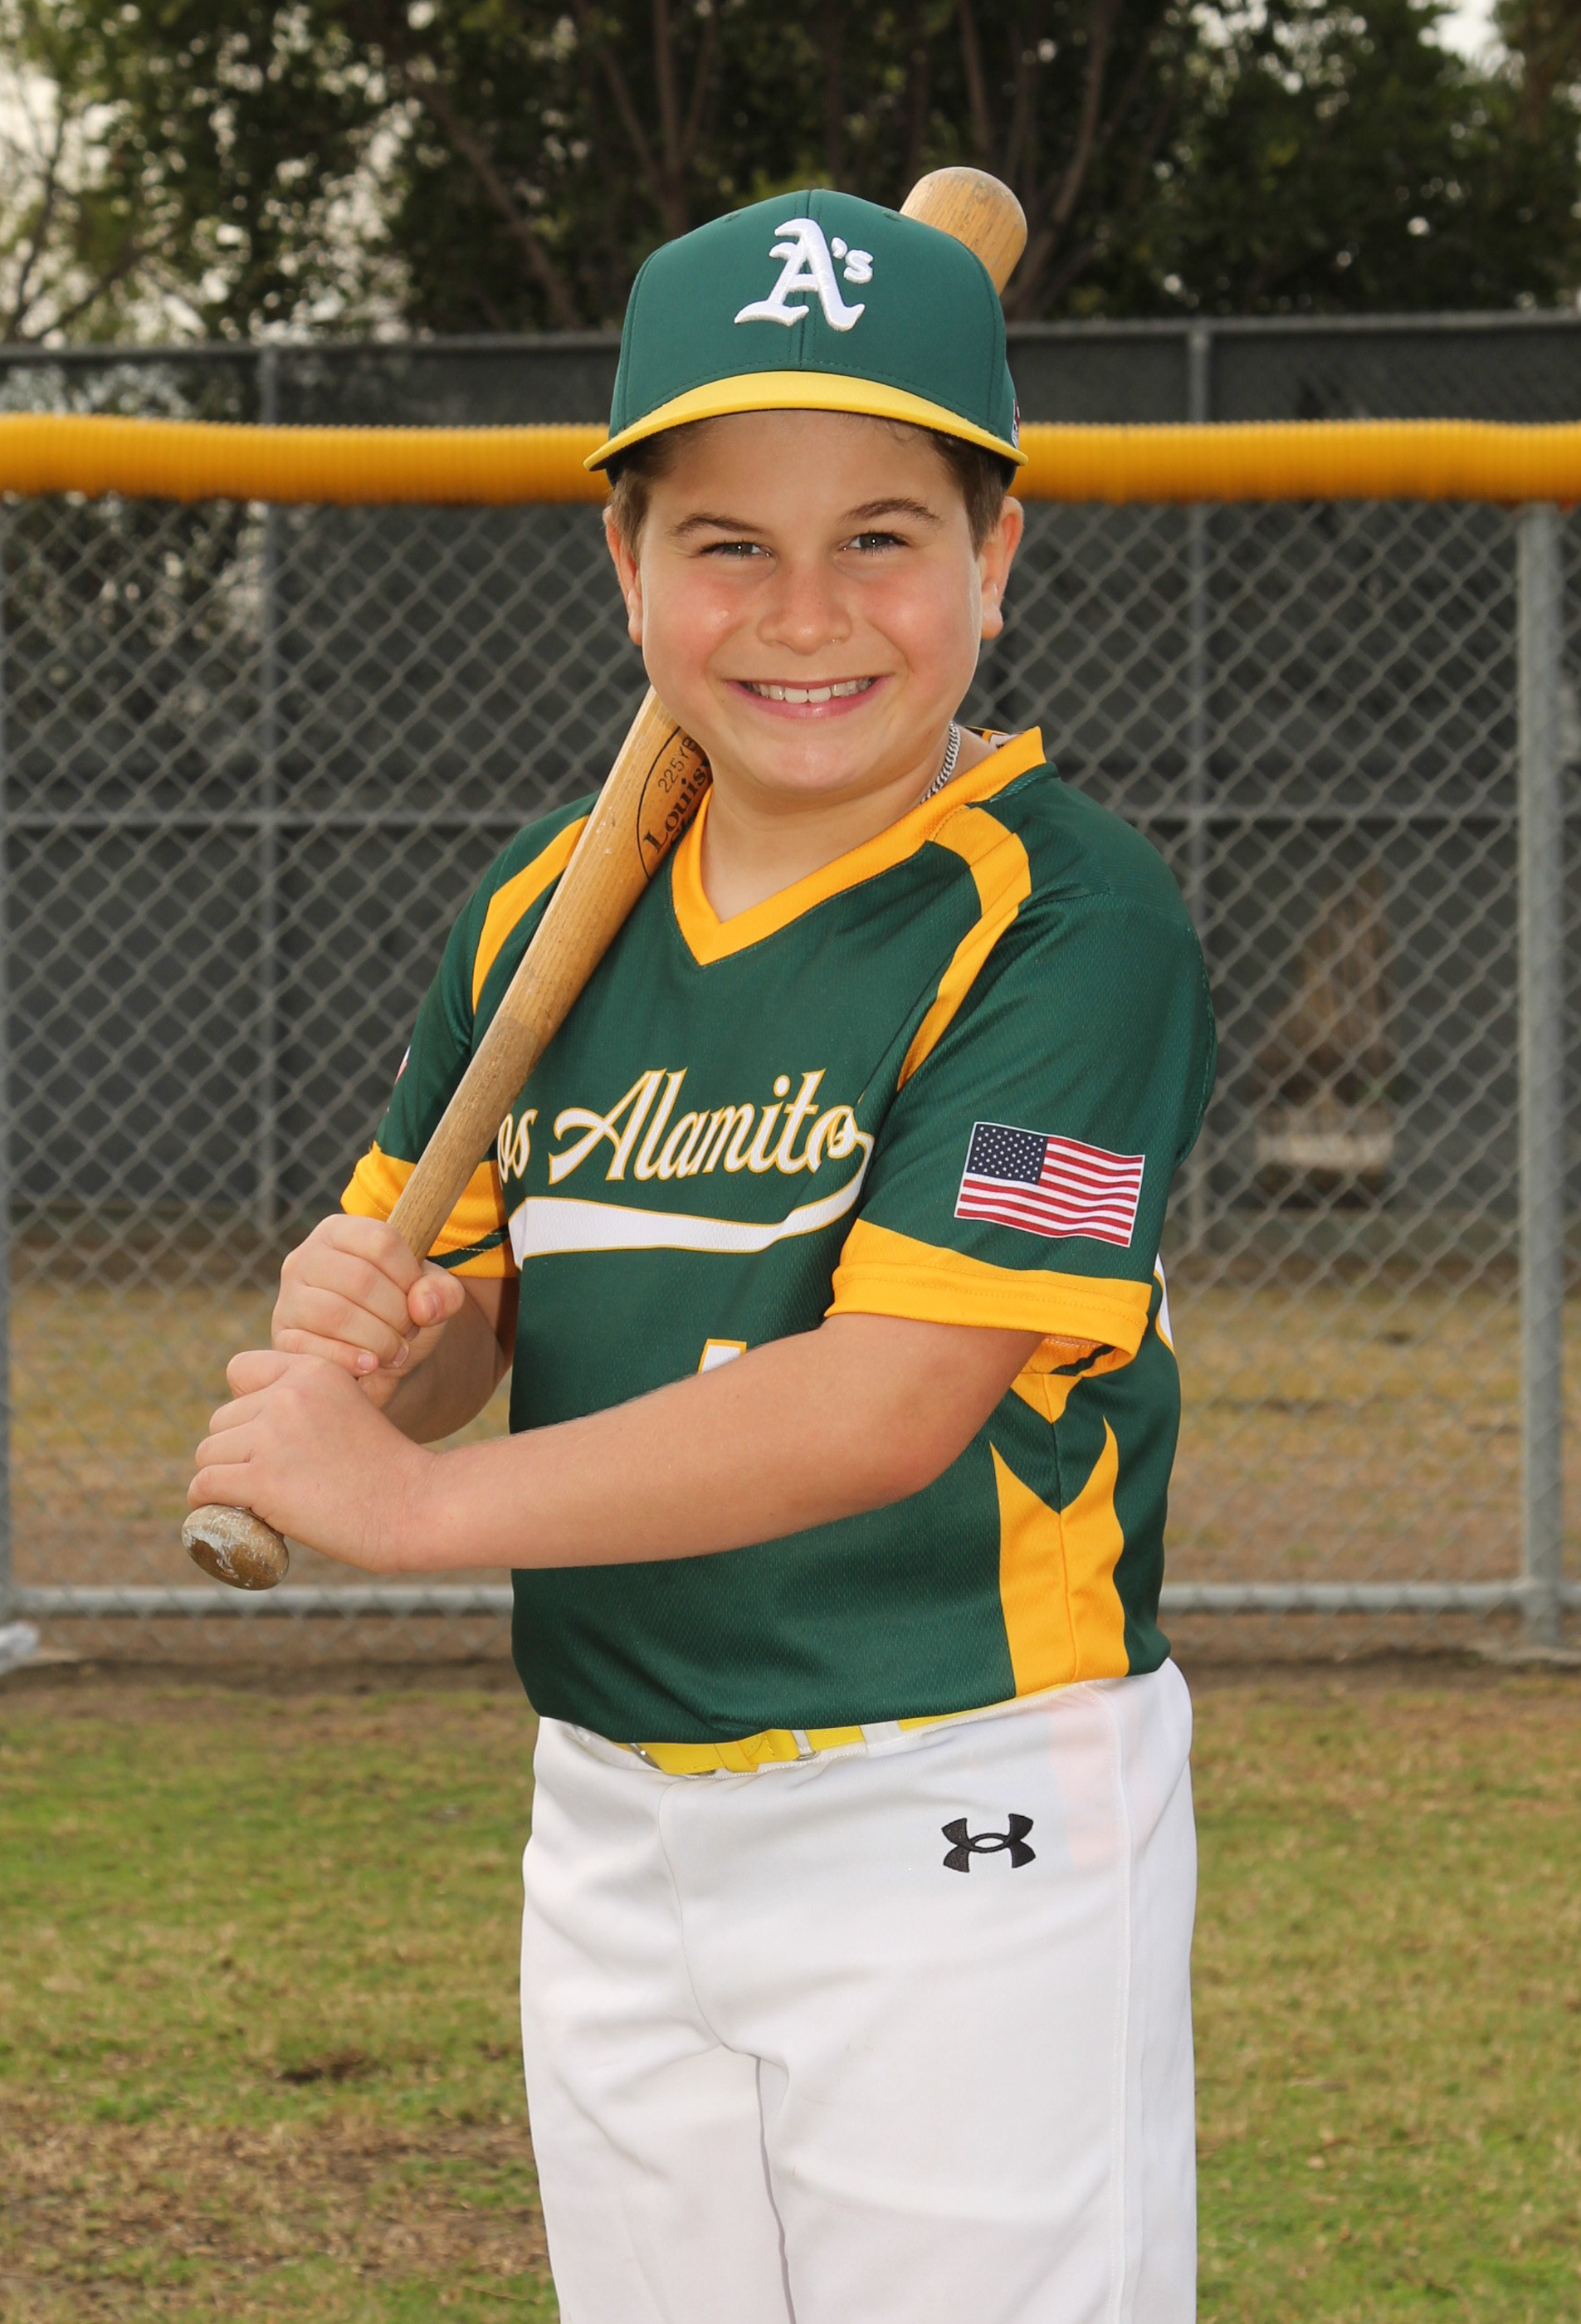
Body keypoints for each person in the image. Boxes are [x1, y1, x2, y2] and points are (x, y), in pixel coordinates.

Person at [191, 188, 1216, 2324]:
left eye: (881, 536)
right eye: (727, 543)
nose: (804, 612)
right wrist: (385, 1335)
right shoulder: (534, 914)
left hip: (950, 1796)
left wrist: (415, 1503)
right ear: (626, 566)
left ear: (996, 559)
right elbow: (467, 1313)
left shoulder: (1068, 919)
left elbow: (893, 1396)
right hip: (610, 1803)